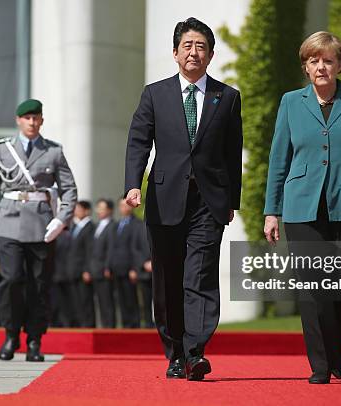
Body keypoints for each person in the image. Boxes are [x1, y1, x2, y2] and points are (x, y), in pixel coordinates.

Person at [263, 31, 341, 384]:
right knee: (313, 289)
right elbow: (279, 159)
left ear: (339, 65)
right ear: (306, 67)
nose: (321, 66)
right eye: (314, 60)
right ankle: (321, 365)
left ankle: (333, 347)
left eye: (328, 60)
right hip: (302, 208)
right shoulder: (291, 103)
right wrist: (271, 211)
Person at [124, 17, 243, 380]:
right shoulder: (154, 94)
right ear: (175, 53)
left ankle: (196, 353)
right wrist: (132, 185)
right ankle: (174, 351)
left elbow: (232, 151)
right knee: (168, 279)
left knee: (201, 275)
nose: (194, 52)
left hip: (209, 202)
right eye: (187, 45)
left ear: (210, 55)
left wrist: (231, 201)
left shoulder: (228, 97)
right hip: (164, 198)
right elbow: (139, 142)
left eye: (201, 46)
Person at [0, 98, 77, 362]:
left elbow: (69, 189)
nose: (31, 122)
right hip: (9, 222)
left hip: (43, 225)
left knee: (39, 284)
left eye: (36, 118)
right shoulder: (2, 150)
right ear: (18, 120)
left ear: (41, 120)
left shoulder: (53, 151)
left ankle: (34, 340)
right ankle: (10, 334)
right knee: (11, 280)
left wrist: (62, 219)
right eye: (27, 118)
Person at [108, 199, 143, 329]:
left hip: (130, 269)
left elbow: (135, 247)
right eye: (121, 206)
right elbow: (113, 247)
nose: (123, 208)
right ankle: (125, 324)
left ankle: (134, 325)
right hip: (117, 268)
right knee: (121, 300)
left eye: (125, 205)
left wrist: (135, 268)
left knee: (131, 299)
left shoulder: (137, 224)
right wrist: (109, 266)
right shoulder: (117, 225)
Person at [90, 198, 116, 328]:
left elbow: (111, 248)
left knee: (107, 302)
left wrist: (108, 267)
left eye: (102, 208)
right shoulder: (97, 226)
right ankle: (104, 326)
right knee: (100, 301)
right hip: (95, 270)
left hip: (104, 270)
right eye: (98, 208)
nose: (99, 211)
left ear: (109, 210)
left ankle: (109, 328)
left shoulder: (112, 226)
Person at [69, 201, 96, 327]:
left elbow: (90, 251)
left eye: (79, 209)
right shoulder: (75, 227)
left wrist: (87, 270)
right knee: (77, 301)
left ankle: (88, 325)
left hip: (83, 271)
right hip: (74, 270)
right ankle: (80, 324)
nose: (76, 211)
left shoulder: (90, 227)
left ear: (86, 211)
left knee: (86, 301)